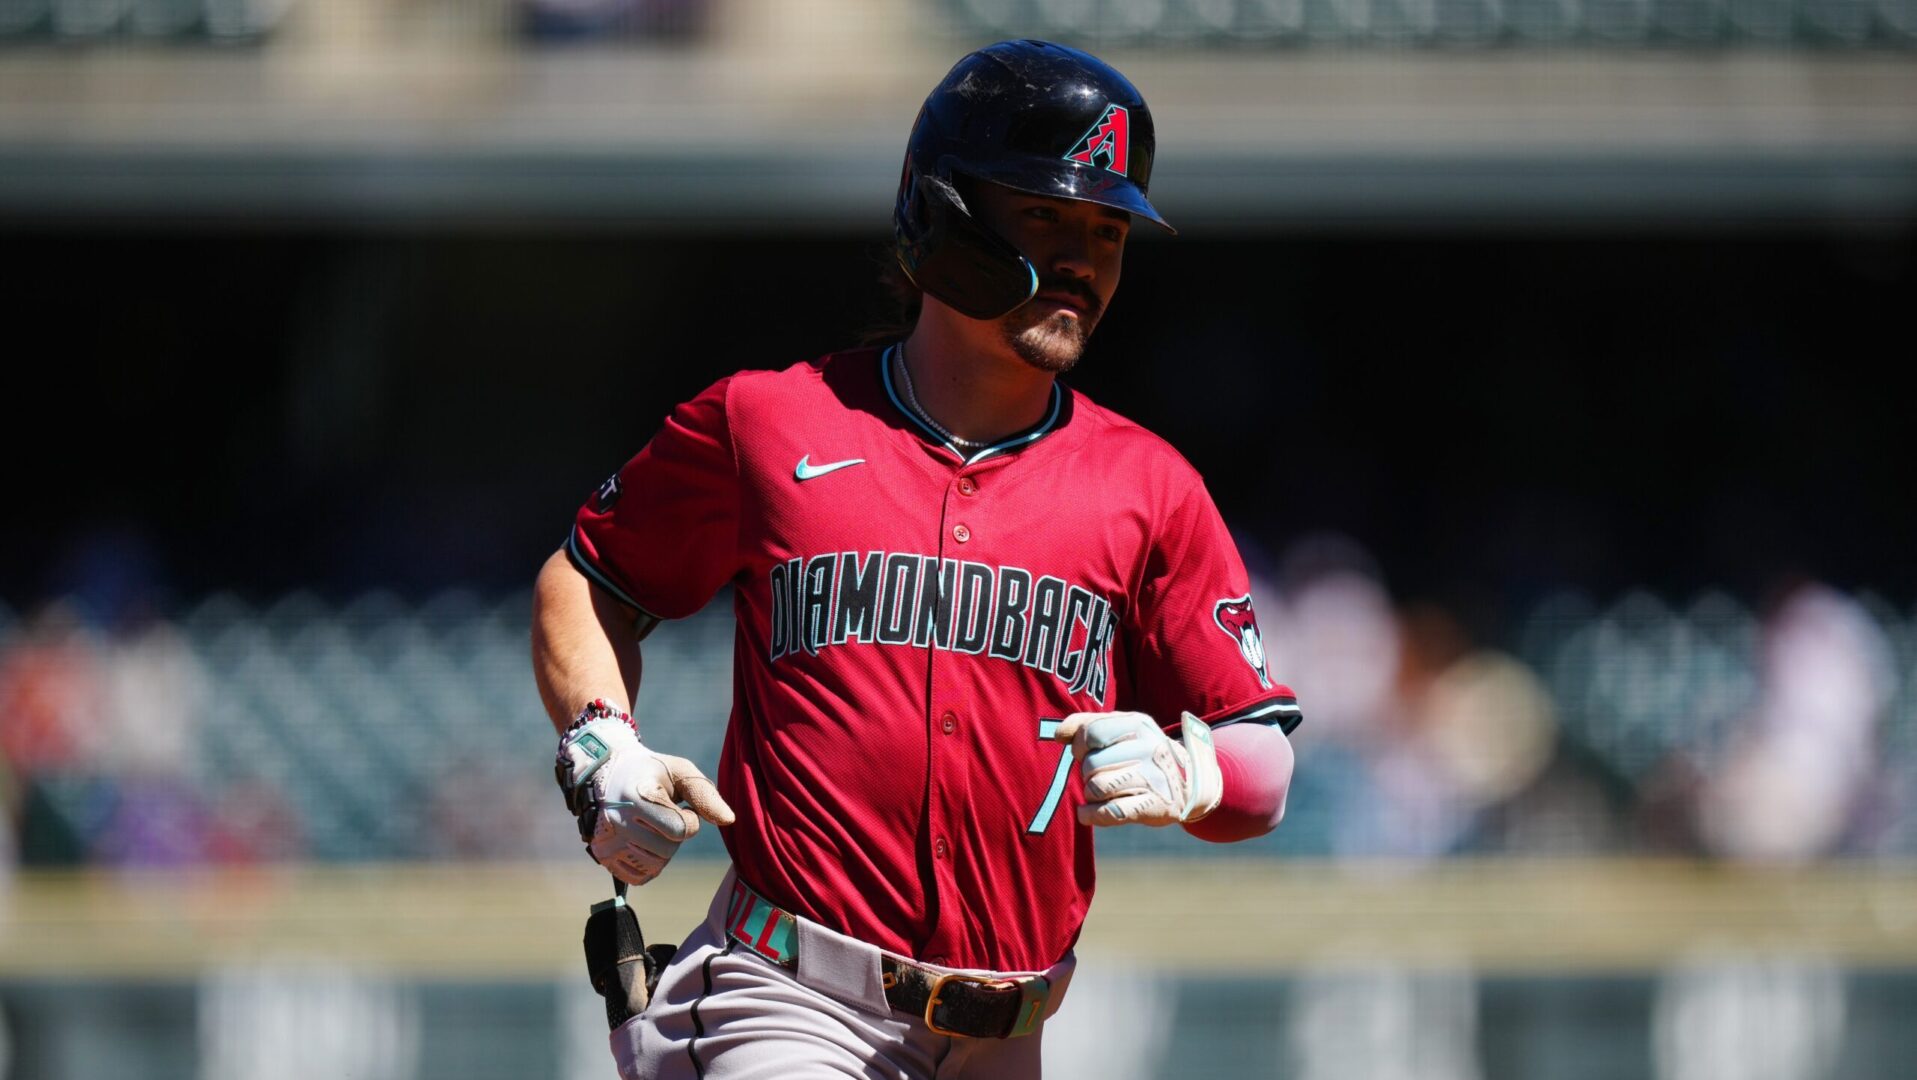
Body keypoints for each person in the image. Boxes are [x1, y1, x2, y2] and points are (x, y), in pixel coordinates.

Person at [531, 39, 1302, 1080]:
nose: (1082, 258)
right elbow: (590, 578)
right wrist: (604, 747)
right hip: (793, 998)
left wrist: (1192, 768)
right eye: (1046, 215)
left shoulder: (1148, 483)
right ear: (943, 219)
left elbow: (1264, 764)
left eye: (1107, 229)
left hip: (1009, 1035)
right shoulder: (771, 419)